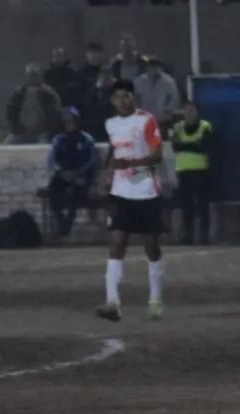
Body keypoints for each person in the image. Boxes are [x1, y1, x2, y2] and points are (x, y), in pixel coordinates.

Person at [96, 79, 166, 323]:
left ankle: (156, 301)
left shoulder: (146, 120)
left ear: (133, 97)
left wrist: (133, 164)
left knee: (151, 247)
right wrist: (108, 174)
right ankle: (112, 302)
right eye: (118, 97)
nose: (123, 100)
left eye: (127, 95)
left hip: (146, 190)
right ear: (112, 101)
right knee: (117, 242)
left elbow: (157, 153)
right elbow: (114, 150)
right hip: (120, 191)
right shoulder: (111, 124)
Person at [47, 107, 100, 237]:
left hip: (81, 175)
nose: (69, 124)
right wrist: (61, 172)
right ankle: (60, 220)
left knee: (76, 194)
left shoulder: (86, 139)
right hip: (63, 175)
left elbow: (93, 160)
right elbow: (52, 160)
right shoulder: (59, 140)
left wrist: (79, 172)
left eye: (72, 121)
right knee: (53, 190)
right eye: (67, 121)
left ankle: (68, 223)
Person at [171, 102, 213, 245]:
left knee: (202, 205)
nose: (189, 114)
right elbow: (175, 146)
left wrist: (185, 146)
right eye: (187, 111)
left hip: (201, 171)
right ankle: (187, 235)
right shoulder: (178, 127)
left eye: (192, 111)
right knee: (186, 206)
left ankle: (204, 235)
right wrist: (194, 145)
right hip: (183, 172)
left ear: (197, 113)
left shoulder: (205, 126)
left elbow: (205, 147)